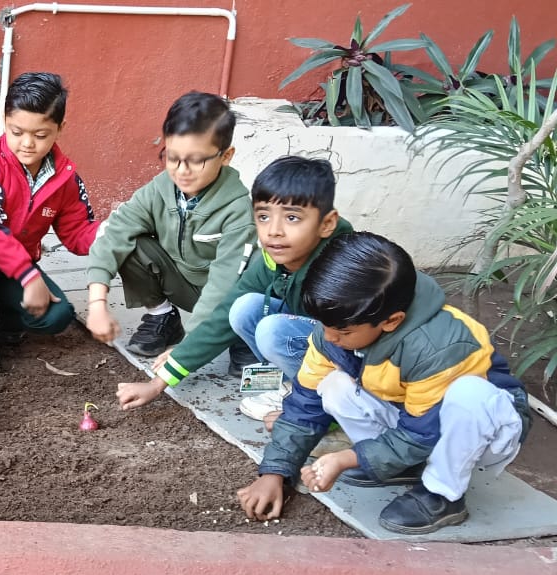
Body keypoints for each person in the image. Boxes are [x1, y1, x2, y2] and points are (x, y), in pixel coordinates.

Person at [236, 232, 530, 535]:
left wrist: (349, 458)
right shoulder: (341, 327)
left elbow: (424, 433)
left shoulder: (439, 346)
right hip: (412, 417)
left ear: (391, 321)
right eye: (324, 326)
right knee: (333, 385)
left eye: (343, 332)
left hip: (487, 428)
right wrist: (275, 473)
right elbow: (304, 406)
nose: (330, 337)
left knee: (469, 394)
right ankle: (401, 466)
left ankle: (443, 494)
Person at [116, 156, 353, 413]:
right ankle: (294, 380)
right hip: (316, 342)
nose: (274, 230)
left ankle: (312, 396)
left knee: (272, 331)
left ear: (327, 224)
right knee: (243, 307)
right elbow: (224, 314)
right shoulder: (276, 258)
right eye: (264, 216)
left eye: (292, 218)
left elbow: (357, 343)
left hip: (351, 362)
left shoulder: (340, 267)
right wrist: (159, 382)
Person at [85, 91, 257, 374]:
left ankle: (243, 336)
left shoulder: (238, 210)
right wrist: (97, 304)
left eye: (196, 160)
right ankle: (163, 317)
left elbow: (222, 285)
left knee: (251, 286)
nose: (182, 171)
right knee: (130, 242)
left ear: (226, 156)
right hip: (185, 286)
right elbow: (114, 233)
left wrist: (187, 350)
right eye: (173, 157)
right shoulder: (160, 188)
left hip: (230, 296)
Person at [0, 71, 101, 374]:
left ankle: (8, 312)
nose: (27, 143)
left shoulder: (65, 177)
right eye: (17, 132)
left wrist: (109, 232)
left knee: (58, 316)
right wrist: (29, 277)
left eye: (40, 135)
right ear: (5, 121)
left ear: (60, 129)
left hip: (12, 267)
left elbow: (77, 233)